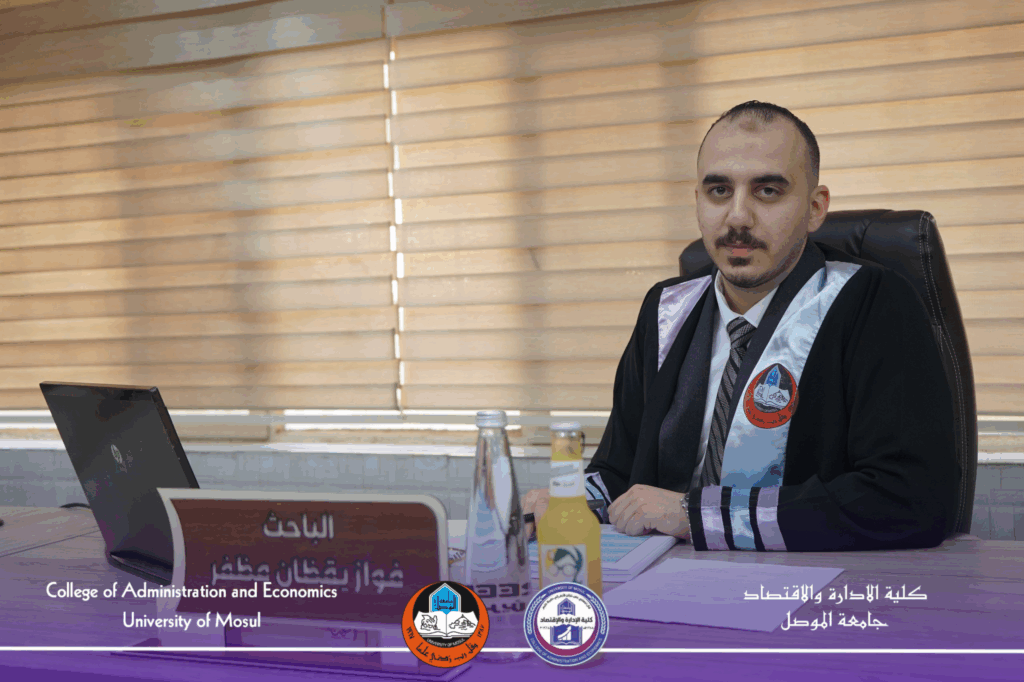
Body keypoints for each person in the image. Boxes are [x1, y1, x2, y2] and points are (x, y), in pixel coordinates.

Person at [523, 100, 960, 552]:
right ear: (697, 200)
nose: (737, 217)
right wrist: (568, 500)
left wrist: (696, 516)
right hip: (661, 571)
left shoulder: (871, 302)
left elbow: (911, 496)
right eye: (718, 191)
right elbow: (620, 470)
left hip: (803, 580)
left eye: (767, 191)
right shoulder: (665, 309)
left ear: (815, 208)